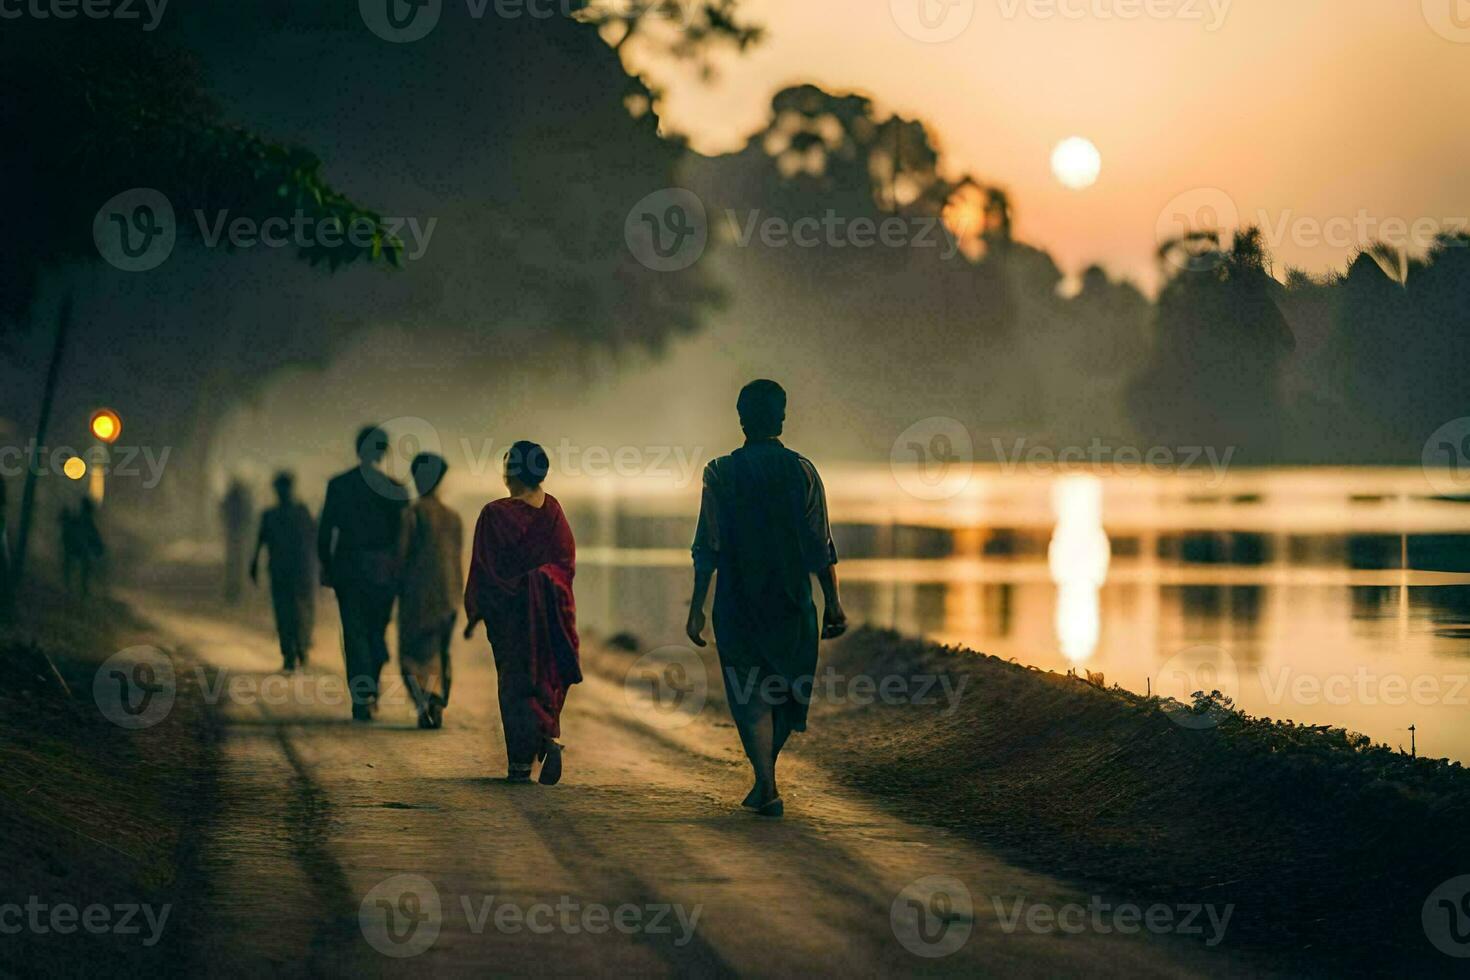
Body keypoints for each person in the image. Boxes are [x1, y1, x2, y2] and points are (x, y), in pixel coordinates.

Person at [686, 379, 847, 818]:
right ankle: (766, 781)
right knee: (787, 690)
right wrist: (832, 602)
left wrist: (697, 606)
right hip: (792, 601)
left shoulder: (719, 473)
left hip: (738, 601)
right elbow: (820, 545)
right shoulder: (804, 472)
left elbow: (709, 546)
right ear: (781, 418)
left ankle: (765, 781)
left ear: (741, 419)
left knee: (749, 693)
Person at [464, 440, 580, 784]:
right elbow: (565, 564)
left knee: (515, 683)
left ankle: (519, 764)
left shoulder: (495, 514)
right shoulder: (554, 510)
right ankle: (547, 736)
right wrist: (544, 585)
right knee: (546, 676)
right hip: (550, 613)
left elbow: (484, 570)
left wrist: (477, 609)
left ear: (511, 472)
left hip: (511, 616)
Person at [318, 426, 408, 721]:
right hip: (383, 570)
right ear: (383, 452)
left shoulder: (339, 485)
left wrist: (327, 566)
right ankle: (370, 685)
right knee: (376, 631)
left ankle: (362, 695)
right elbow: (403, 538)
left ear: (358, 450)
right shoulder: (395, 490)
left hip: (348, 566)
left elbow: (325, 531)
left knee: (354, 631)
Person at [397, 452, 464, 730]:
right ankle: (436, 697)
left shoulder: (412, 513)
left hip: (417, 593)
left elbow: (402, 554)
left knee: (412, 651)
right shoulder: (453, 517)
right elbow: (457, 556)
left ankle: (425, 697)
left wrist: (395, 586)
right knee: (440, 650)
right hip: (449, 595)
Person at [250, 471, 317, 673]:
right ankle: (292, 652)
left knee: (294, 612)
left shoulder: (288, 514)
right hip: (290, 571)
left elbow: (314, 540)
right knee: (290, 612)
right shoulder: (294, 513)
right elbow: (260, 542)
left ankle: (299, 649)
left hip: (295, 571)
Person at [60, 497, 105, 598]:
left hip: (79, 549)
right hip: (74, 548)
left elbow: (94, 537)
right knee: (72, 564)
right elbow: (67, 527)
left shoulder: (85, 521)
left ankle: (80, 588)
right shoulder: (81, 520)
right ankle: (69, 586)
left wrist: (98, 548)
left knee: (83, 564)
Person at [220, 479, 254, 604]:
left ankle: (233, 592)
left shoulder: (231, 499)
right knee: (237, 564)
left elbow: (223, 512)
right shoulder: (242, 500)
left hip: (234, 534)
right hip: (238, 535)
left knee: (233, 564)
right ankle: (236, 592)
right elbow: (248, 515)